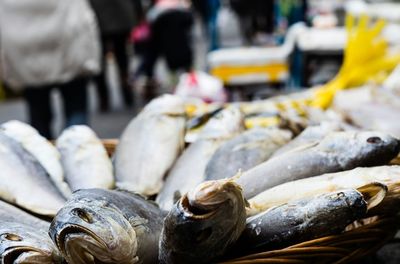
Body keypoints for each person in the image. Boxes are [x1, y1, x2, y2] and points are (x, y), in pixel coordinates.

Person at [0, 0, 100, 139]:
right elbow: (83, 16)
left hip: (27, 56)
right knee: (76, 116)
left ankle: (43, 157)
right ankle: (76, 153)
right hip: (68, 48)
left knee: (39, 119)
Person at [89, 0, 139, 111]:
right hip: (119, 13)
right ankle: (127, 94)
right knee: (122, 59)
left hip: (97, 15)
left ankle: (104, 99)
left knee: (101, 61)